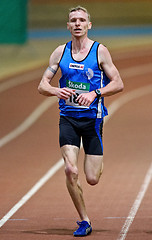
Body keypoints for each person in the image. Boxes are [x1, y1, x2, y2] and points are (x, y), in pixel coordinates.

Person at [38, 6, 124, 237]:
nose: (77, 23)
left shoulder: (100, 52)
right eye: (73, 20)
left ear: (89, 25)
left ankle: (96, 161)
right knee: (69, 169)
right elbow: (42, 85)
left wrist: (95, 94)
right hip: (68, 119)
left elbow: (118, 83)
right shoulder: (59, 52)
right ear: (68, 25)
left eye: (81, 20)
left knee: (92, 178)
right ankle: (85, 220)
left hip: (92, 121)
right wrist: (57, 91)